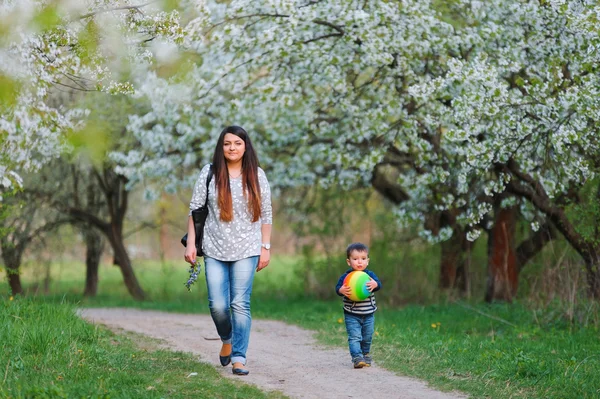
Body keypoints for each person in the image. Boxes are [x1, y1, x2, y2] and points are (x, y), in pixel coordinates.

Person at [184, 125, 272, 376]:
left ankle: (239, 357)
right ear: (221, 147)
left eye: (237, 143)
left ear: (246, 147)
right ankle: (227, 338)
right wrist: (191, 243)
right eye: (227, 144)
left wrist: (265, 247)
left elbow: (266, 214)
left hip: (247, 247)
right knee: (218, 305)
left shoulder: (256, 174)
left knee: (240, 303)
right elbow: (196, 210)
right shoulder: (209, 173)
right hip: (214, 247)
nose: (232, 148)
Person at [335, 242, 381, 369]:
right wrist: (341, 290)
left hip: (368, 314)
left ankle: (365, 354)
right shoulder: (346, 277)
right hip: (351, 314)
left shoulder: (370, 276)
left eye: (363, 259)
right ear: (349, 262)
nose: (359, 262)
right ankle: (357, 357)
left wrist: (375, 285)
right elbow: (338, 288)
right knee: (354, 336)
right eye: (355, 259)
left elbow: (378, 284)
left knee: (367, 336)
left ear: (368, 261)